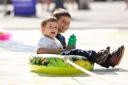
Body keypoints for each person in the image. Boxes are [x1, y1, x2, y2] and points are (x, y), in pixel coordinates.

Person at [37, 16, 125, 69]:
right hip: (55, 58)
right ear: (43, 29)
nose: (53, 29)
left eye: (56, 27)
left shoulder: (55, 40)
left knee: (79, 52)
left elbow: (62, 50)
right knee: (76, 52)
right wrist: (58, 51)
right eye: (50, 26)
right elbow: (40, 51)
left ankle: (110, 60)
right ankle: (99, 56)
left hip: (60, 55)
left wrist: (70, 46)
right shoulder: (44, 39)